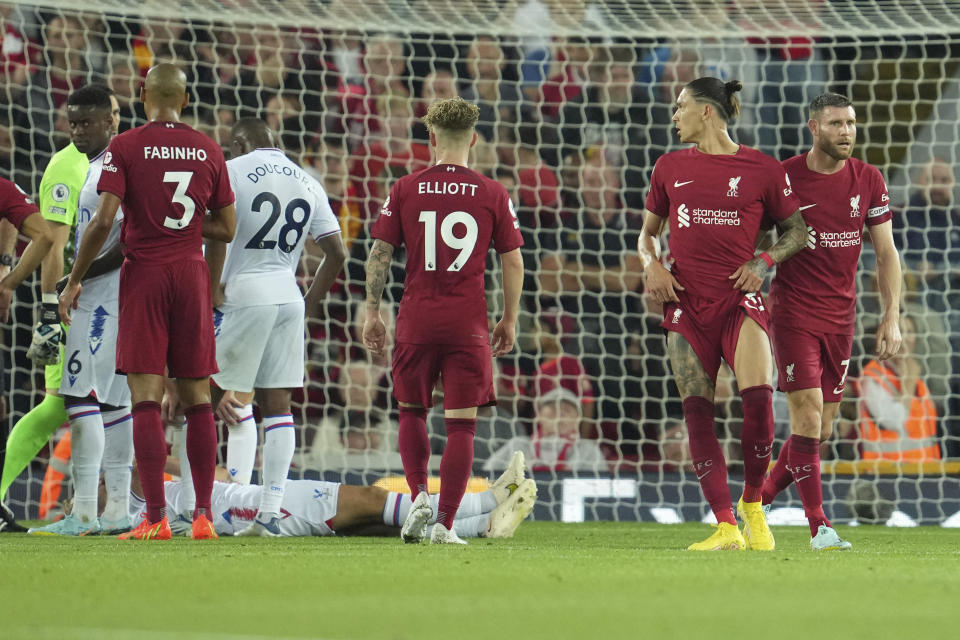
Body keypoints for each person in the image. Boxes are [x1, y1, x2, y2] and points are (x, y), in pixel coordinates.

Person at [58, 63, 236, 541]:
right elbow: (227, 228)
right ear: (187, 97)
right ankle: (202, 517)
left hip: (144, 275)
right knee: (198, 398)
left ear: (141, 95)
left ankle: (155, 517)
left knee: (146, 398)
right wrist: (181, 229)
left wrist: (74, 278)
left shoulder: (125, 146)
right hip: (191, 274)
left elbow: (102, 222)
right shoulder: (208, 147)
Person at [638, 77, 806, 551]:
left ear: (706, 112)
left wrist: (763, 261)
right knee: (698, 413)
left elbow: (798, 233)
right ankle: (725, 525)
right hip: (685, 305)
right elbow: (646, 235)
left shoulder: (762, 168)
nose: (674, 115)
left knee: (757, 402)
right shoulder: (668, 167)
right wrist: (651, 265)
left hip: (738, 300)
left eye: (680, 106)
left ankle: (752, 502)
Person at [362, 96, 524, 545]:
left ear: (431, 138)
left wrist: (373, 311)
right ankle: (445, 524)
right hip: (467, 323)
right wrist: (509, 320)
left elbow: (380, 253)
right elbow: (513, 262)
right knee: (461, 425)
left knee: (411, 411)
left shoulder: (406, 187)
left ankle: (418, 496)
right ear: (473, 139)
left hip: (416, 319)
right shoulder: (493, 193)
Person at [759, 92, 903, 551]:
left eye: (852, 123)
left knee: (820, 430)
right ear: (814, 128)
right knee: (806, 416)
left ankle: (755, 500)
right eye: (837, 124)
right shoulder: (783, 176)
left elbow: (886, 252)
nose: (847, 132)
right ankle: (819, 527)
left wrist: (891, 317)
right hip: (793, 313)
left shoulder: (869, 178)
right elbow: (758, 236)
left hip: (842, 318)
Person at [198, 118, 346, 536]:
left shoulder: (229, 172)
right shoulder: (308, 180)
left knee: (202, 396)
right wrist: (308, 306)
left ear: (239, 143)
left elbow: (216, 237)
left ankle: (199, 507)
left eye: (230, 147)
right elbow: (336, 252)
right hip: (288, 294)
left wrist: (211, 291)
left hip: (244, 293)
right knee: (277, 407)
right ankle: (269, 513)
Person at [25, 84, 135, 537]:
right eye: (72, 123)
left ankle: (87, 512)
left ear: (112, 119)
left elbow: (126, 240)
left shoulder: (118, 166)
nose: (77, 131)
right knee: (114, 401)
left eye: (87, 122)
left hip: (101, 299)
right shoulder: (94, 166)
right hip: (111, 297)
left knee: (81, 396)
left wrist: (75, 280)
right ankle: (116, 512)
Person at [124, 451, 535, 540]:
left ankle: (485, 524)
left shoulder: (159, 500)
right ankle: (488, 500)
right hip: (264, 506)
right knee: (371, 500)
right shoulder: (143, 504)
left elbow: (216, 472)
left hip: (255, 505)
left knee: (373, 524)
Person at [854, 313, 939, 462]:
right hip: (888, 473)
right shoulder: (872, 377)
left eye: (910, 332)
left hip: (926, 470)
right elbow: (894, 420)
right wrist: (908, 384)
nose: (904, 338)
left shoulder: (914, 374)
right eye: (899, 330)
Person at [484, 387, 605, 472]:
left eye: (567, 410)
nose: (560, 413)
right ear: (538, 415)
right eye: (553, 408)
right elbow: (487, 475)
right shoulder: (518, 446)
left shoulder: (587, 450)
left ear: (577, 421)